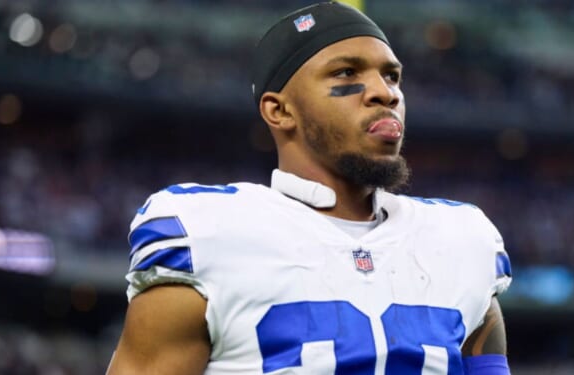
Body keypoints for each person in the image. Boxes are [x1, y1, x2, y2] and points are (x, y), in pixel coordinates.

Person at [107, 2, 512, 374]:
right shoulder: (207, 233)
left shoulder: (463, 239)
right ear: (279, 110)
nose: (385, 93)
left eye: (391, 76)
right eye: (346, 73)